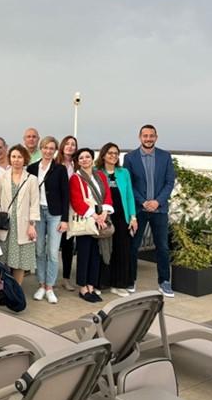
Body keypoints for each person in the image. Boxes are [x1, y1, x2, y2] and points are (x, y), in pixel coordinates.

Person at [123, 125, 176, 297]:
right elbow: (128, 184)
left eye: (151, 136)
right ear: (140, 137)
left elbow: (169, 182)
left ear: (156, 137)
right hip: (138, 209)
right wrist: (143, 202)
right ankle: (130, 280)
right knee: (133, 246)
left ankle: (164, 282)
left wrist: (157, 202)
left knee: (163, 246)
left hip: (159, 210)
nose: (148, 138)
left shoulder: (165, 156)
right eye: (145, 136)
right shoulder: (130, 158)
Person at [27, 136, 69, 305]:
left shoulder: (60, 169)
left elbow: (66, 195)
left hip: (55, 214)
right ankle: (41, 284)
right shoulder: (32, 168)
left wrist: (65, 219)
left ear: (55, 150)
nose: (48, 151)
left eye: (52, 148)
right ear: (41, 148)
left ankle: (50, 287)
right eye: (45, 148)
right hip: (37, 213)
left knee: (52, 252)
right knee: (39, 250)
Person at [70, 148, 114, 303]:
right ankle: (83, 288)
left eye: (87, 157)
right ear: (77, 161)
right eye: (81, 158)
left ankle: (91, 285)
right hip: (87, 220)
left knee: (96, 255)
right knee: (84, 255)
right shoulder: (76, 178)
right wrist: (95, 216)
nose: (84, 160)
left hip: (101, 218)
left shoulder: (100, 175)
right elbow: (76, 201)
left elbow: (107, 194)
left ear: (92, 159)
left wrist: (104, 214)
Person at [0, 145, 39, 286]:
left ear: (25, 159)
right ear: (9, 158)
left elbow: (34, 204)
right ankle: (2, 289)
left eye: (19, 157)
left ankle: (15, 290)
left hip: (23, 225)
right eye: (13, 156)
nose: (16, 160)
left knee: (19, 262)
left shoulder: (31, 179)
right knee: (2, 259)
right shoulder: (1, 177)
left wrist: (32, 225)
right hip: (5, 224)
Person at [96, 143, 138, 297]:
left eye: (116, 153)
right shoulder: (97, 172)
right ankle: (101, 282)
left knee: (122, 249)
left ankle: (119, 284)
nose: (113, 156)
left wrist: (133, 217)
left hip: (122, 215)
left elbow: (129, 195)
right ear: (103, 155)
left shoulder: (124, 172)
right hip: (105, 216)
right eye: (110, 153)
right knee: (104, 249)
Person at [55, 135, 78, 292]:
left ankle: (66, 278)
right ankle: (51, 278)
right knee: (54, 245)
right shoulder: (55, 164)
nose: (70, 146)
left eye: (73, 144)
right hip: (57, 209)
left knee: (68, 245)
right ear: (62, 146)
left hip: (74, 209)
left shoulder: (78, 165)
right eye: (67, 144)